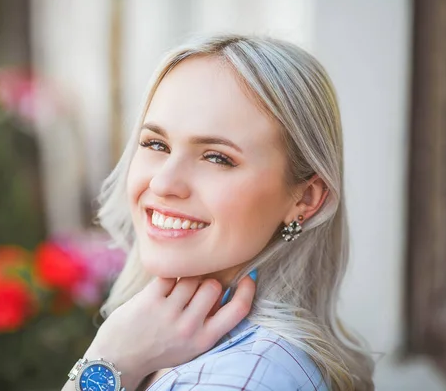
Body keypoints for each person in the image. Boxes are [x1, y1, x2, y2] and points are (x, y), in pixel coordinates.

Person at [62, 34, 374, 391]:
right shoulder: (160, 341)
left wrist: (108, 361)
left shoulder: (247, 377)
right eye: (156, 144)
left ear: (305, 198)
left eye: (217, 157)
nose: (164, 183)